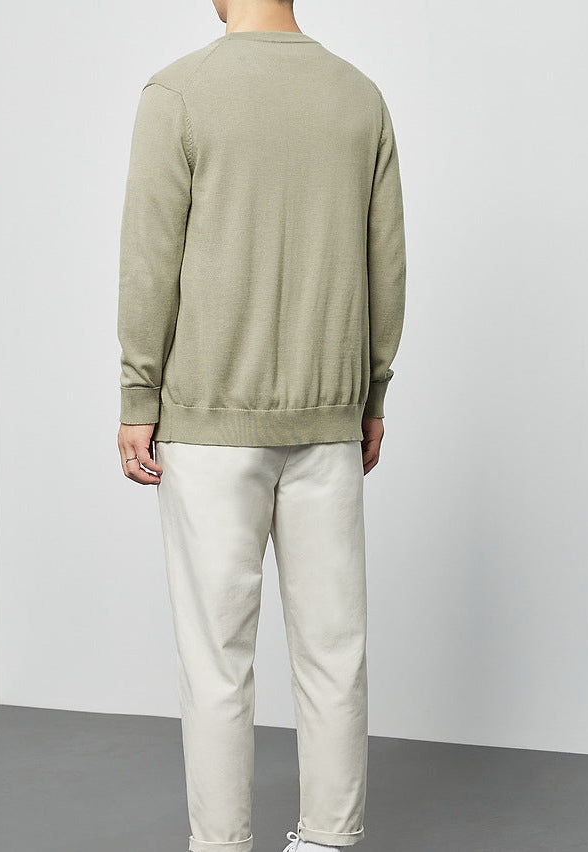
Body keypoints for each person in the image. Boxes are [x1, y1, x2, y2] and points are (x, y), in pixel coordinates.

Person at [116, 1, 406, 850]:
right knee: (334, 653)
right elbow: (387, 262)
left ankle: (222, 846)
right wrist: (372, 395)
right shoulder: (359, 96)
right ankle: (329, 839)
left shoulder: (179, 93)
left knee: (216, 661)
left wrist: (139, 395)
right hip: (329, 420)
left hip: (209, 423)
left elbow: (150, 261)